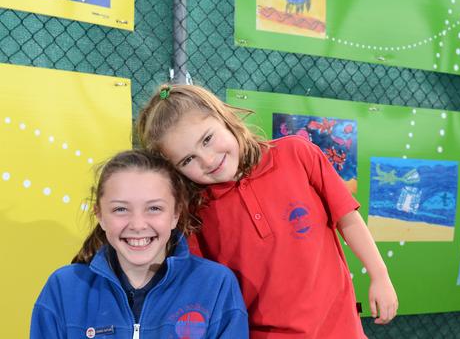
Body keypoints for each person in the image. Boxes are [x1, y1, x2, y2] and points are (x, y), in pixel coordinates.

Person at [136, 84, 398, 338]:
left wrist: (380, 275)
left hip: (340, 328)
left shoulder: (297, 154)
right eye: (188, 159)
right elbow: (206, 287)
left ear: (225, 119)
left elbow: (348, 219)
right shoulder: (194, 212)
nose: (207, 160)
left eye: (207, 139)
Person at [30, 150, 248, 339]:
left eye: (154, 208)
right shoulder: (63, 287)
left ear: (175, 214)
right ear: (100, 216)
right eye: (120, 209)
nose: (137, 225)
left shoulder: (216, 285)